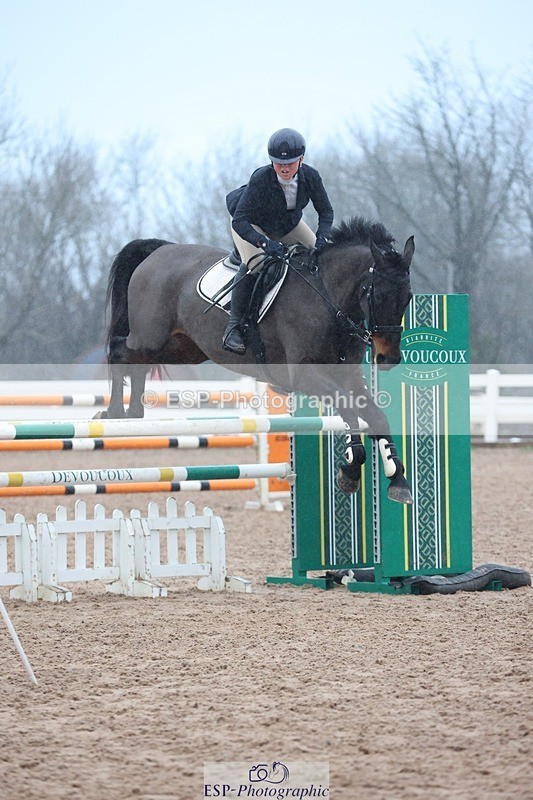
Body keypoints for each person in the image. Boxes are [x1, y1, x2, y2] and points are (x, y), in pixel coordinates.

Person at [222, 128, 334, 355]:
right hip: (252, 225)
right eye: (278, 163)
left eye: (291, 163)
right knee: (257, 263)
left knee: (321, 258)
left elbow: (326, 211)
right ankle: (233, 327)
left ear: (301, 160)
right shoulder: (261, 178)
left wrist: (322, 237)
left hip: (287, 225)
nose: (284, 167)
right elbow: (240, 221)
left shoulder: (311, 177)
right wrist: (264, 243)